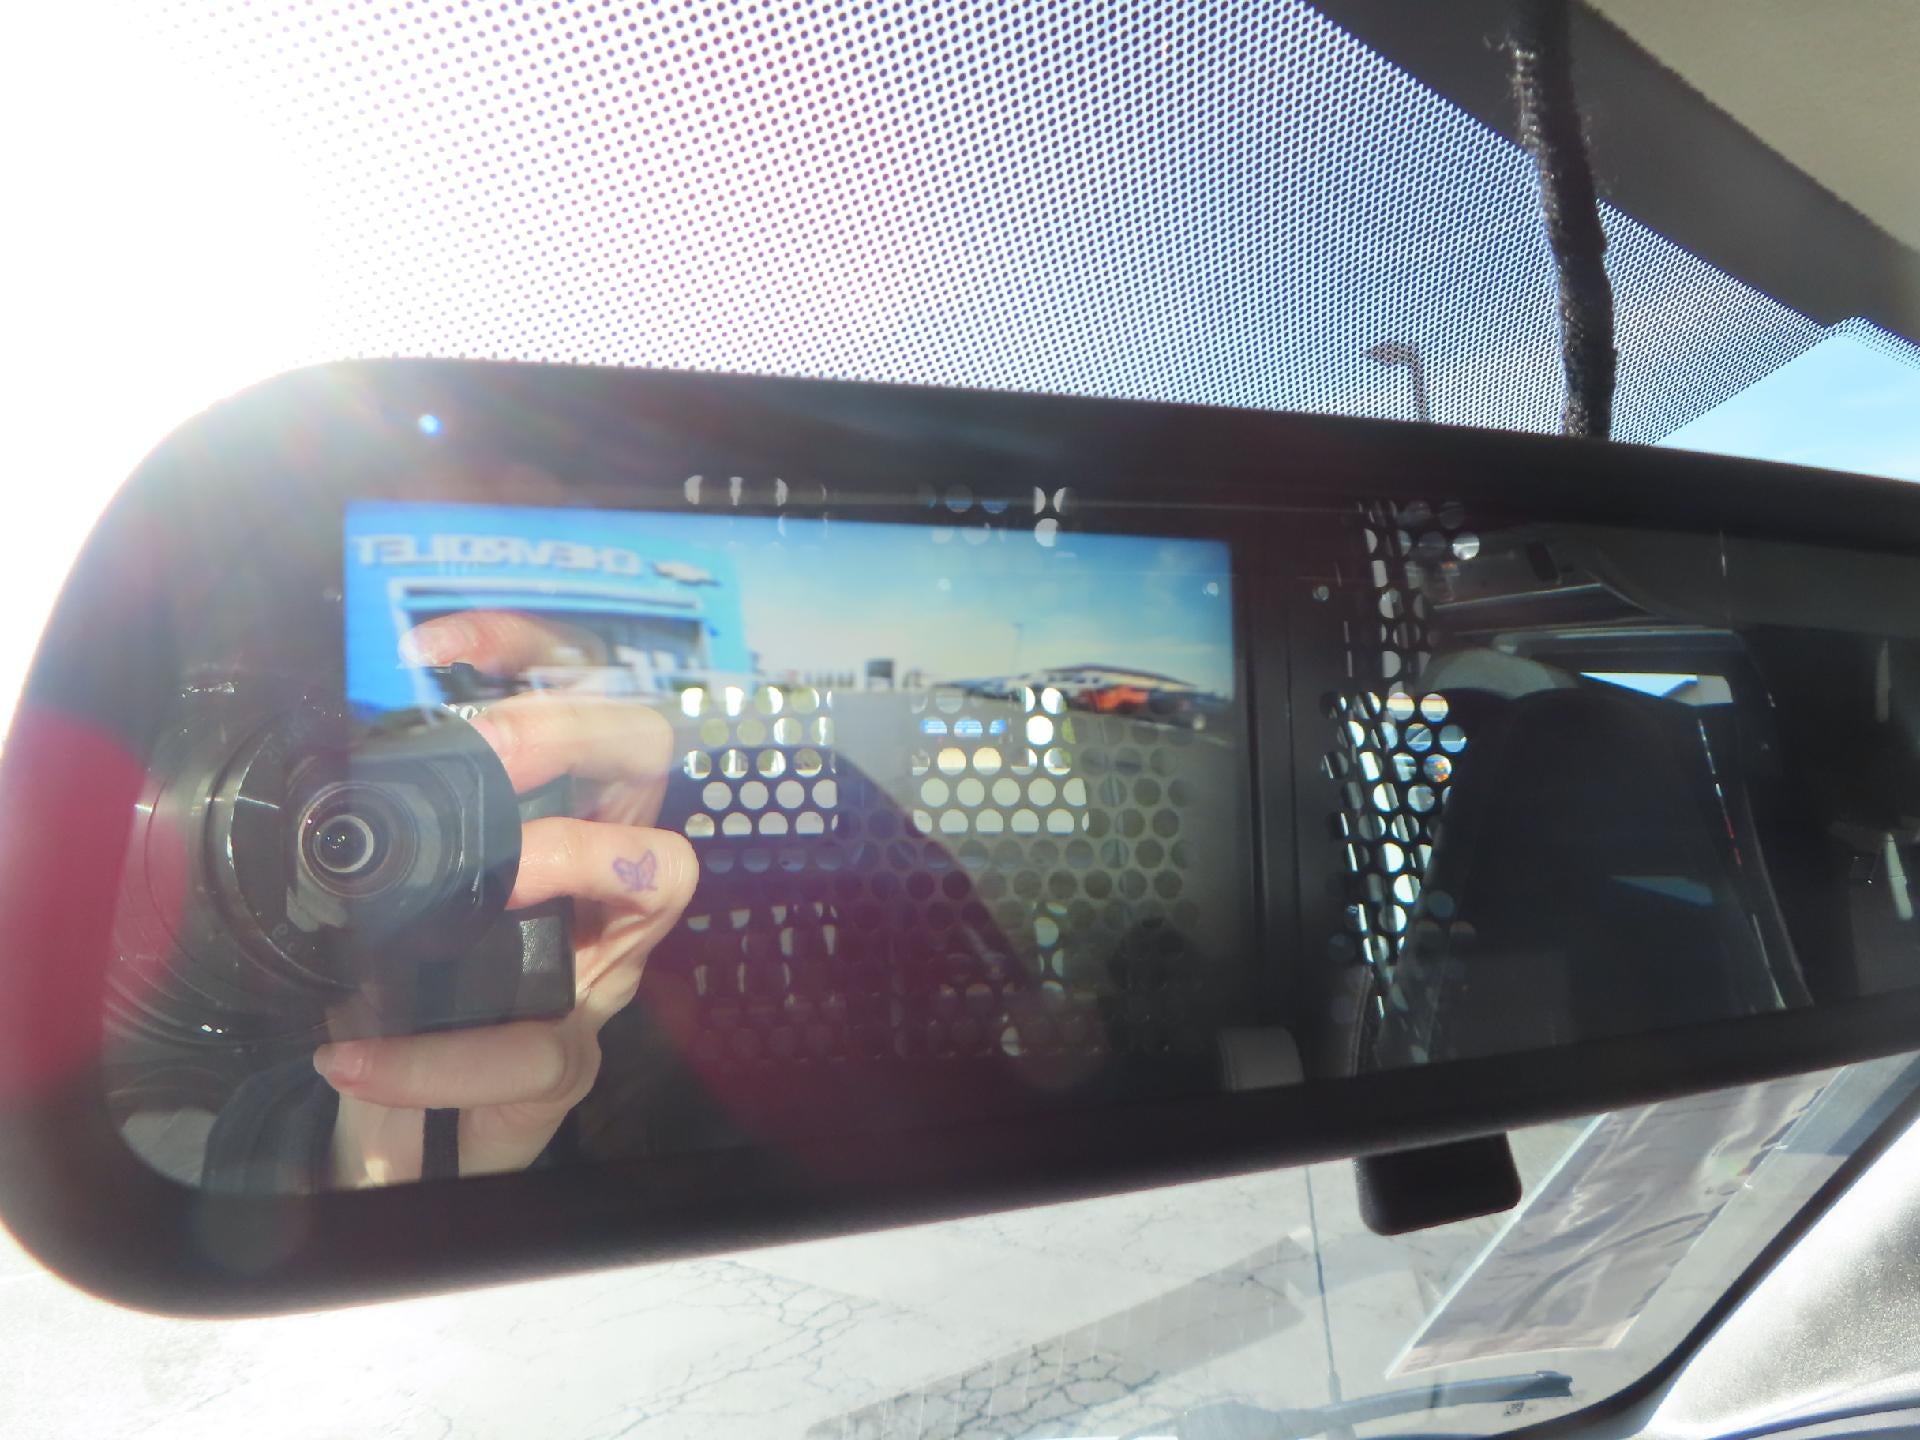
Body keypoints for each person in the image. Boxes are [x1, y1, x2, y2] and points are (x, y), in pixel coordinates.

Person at [203, 609, 698, 1189]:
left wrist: (589, 996)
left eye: (437, 764)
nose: (357, 838)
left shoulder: (248, 1129)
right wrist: (369, 1167)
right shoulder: (252, 1122)